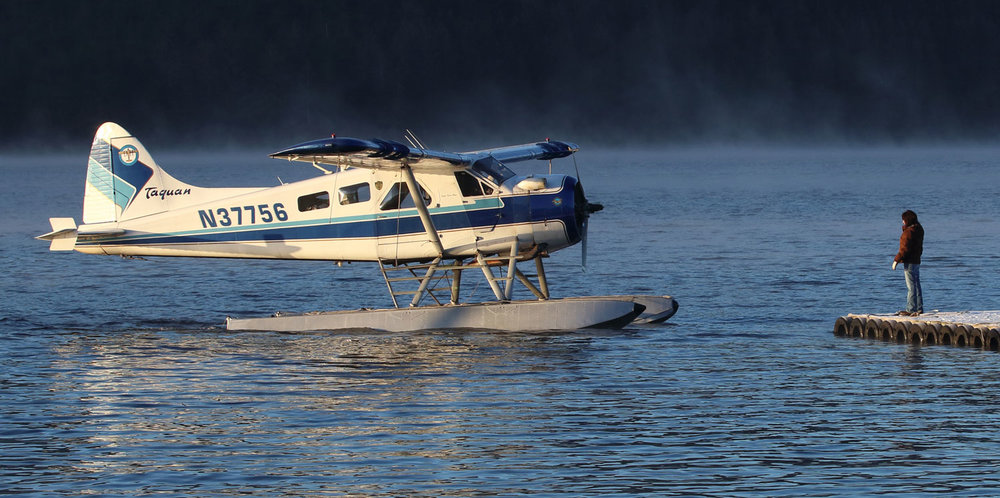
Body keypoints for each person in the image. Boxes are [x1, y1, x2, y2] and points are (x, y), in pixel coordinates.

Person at [892, 210, 924, 316]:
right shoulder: (919, 230)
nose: (902, 222)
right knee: (916, 284)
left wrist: (896, 260)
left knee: (911, 286)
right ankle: (919, 307)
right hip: (916, 260)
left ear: (907, 220)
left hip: (909, 261)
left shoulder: (908, 232)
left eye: (903, 220)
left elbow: (904, 249)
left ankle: (910, 309)